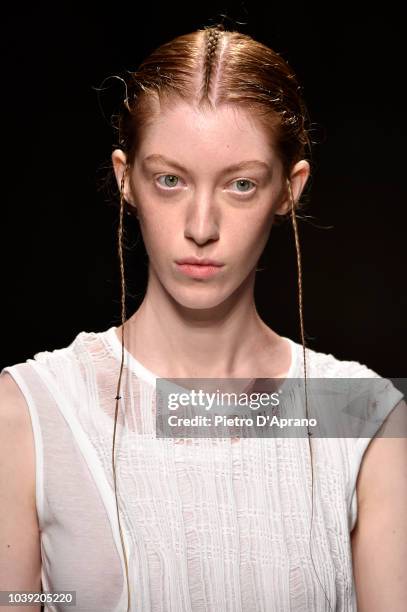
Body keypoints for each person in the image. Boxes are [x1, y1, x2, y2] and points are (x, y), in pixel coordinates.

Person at [0, 24, 406, 612]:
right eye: (170, 180)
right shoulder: (30, 412)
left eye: (241, 184)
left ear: (289, 190)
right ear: (125, 178)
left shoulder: (361, 416)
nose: (200, 226)